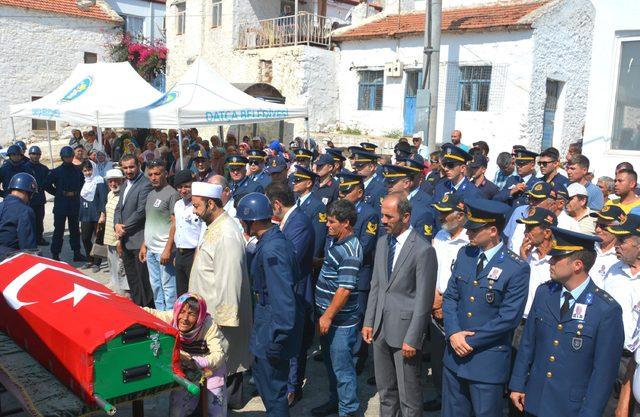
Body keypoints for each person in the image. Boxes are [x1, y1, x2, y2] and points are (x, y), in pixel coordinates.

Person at [509, 228, 624, 417]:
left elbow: (603, 373)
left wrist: (590, 413)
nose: (550, 262)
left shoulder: (606, 310)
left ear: (577, 265)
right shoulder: (545, 293)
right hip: (535, 400)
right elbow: (528, 343)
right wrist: (517, 384)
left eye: (556, 258)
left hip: (571, 408)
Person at [441, 198, 530, 417]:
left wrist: (468, 340)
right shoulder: (465, 254)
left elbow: (508, 317)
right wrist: (453, 333)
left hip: (486, 363)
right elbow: (451, 297)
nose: (468, 233)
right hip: (454, 357)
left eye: (474, 229)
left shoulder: (515, 268)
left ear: (492, 231)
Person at [362, 192, 436, 417]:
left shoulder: (423, 250)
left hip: (405, 335)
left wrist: (413, 338)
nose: (383, 221)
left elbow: (423, 300)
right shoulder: (383, 242)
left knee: (409, 398)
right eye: (382, 215)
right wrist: (369, 321)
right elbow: (376, 285)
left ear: (406, 217)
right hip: (379, 331)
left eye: (389, 217)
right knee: (386, 394)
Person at [237, 192, 302, 417]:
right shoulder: (271, 241)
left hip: (272, 328)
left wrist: (279, 336)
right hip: (267, 323)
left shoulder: (273, 248)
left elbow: (283, 297)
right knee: (269, 388)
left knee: (274, 392)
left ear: (252, 221)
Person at [189, 182, 253, 411]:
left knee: (221, 377)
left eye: (196, 206)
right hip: (208, 317)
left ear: (211, 203)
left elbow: (229, 281)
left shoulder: (226, 233)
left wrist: (222, 325)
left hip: (219, 322)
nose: (194, 211)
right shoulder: (214, 226)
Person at [311, 199, 363, 417]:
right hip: (328, 317)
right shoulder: (337, 241)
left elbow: (344, 289)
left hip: (340, 322)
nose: (327, 225)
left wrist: (328, 317)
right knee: (331, 365)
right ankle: (336, 401)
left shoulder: (350, 250)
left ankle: (349, 410)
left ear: (347, 223)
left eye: (332, 222)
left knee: (343, 370)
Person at [265, 182, 315, 407]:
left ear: (276, 204)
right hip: (286, 290)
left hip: (296, 291)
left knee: (294, 343)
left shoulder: (300, 223)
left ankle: (292, 388)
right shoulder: (288, 221)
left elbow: (290, 257)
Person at [144, 293, 228, 417]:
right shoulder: (172, 316)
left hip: (211, 367)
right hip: (185, 366)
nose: (184, 318)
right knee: (177, 410)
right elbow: (150, 313)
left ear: (199, 315)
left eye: (192, 314)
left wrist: (197, 361)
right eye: (182, 312)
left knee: (215, 409)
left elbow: (218, 355)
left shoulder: (209, 325)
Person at [427, 194, 469, 412]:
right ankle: (441, 396)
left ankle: (457, 402)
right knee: (437, 356)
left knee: (457, 357)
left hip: (457, 306)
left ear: (460, 215)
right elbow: (432, 267)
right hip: (435, 301)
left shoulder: (469, 240)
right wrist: (434, 295)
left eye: (446, 213)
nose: (441, 216)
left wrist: (446, 302)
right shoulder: (440, 235)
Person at [335, 172, 379, 374]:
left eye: (347, 191)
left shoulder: (368, 213)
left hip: (359, 275)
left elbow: (364, 246)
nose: (343, 194)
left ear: (359, 192)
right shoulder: (340, 211)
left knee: (356, 318)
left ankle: (356, 359)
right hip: (340, 271)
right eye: (341, 190)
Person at [600, 215, 640, 416]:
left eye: (623, 241)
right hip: (607, 353)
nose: (617, 244)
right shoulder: (612, 270)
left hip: (635, 360)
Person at [114, 154, 154, 307]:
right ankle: (138, 309)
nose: (129, 170)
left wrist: (123, 228)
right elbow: (119, 208)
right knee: (133, 280)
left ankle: (148, 311)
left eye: (131, 167)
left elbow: (141, 212)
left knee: (144, 281)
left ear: (138, 165)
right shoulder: (124, 184)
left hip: (138, 241)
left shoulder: (145, 184)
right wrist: (117, 224)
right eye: (125, 168)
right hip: (125, 240)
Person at [140, 161, 179, 311]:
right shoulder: (150, 194)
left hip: (164, 250)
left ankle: (170, 320)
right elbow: (150, 221)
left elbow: (175, 224)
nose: (153, 177)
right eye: (150, 175)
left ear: (165, 174)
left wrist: (168, 249)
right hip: (151, 249)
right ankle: (160, 318)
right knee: (156, 286)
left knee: (168, 288)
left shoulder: (172, 194)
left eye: (157, 174)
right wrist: (144, 244)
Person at [45, 146, 85, 262]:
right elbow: (46, 185)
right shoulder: (56, 171)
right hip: (61, 204)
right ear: (62, 158)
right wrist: (57, 193)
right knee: (58, 230)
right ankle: (55, 254)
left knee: (75, 230)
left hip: (74, 203)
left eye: (71, 157)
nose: (69, 159)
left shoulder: (77, 170)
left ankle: (76, 253)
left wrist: (76, 193)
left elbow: (82, 183)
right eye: (66, 157)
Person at [383, 161, 436, 240]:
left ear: (406, 183)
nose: (389, 186)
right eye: (387, 183)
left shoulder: (421, 212)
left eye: (392, 183)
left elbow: (422, 246)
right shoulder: (388, 204)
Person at [173, 170, 205, 296]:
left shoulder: (198, 205)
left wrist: (198, 255)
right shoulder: (178, 205)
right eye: (180, 187)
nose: (183, 190)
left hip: (194, 253)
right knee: (181, 293)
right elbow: (178, 229)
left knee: (195, 293)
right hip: (180, 253)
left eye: (187, 186)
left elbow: (202, 231)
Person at [103, 168, 129, 297]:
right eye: (110, 181)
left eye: (116, 181)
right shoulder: (110, 194)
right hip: (109, 237)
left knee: (121, 269)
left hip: (118, 239)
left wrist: (119, 240)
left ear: (122, 181)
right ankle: (115, 289)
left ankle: (124, 294)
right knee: (112, 265)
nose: (113, 184)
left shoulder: (124, 196)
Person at [292, 166, 327, 260]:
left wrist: (312, 259)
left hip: (306, 256)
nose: (294, 183)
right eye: (294, 180)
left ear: (309, 183)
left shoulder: (317, 206)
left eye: (298, 180)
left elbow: (319, 236)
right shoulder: (294, 201)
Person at [78, 160, 107, 272]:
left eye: (89, 170)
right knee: (85, 238)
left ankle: (97, 263)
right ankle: (90, 259)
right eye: (85, 171)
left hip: (97, 215)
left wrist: (102, 215)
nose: (87, 173)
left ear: (93, 169)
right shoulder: (86, 182)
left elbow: (103, 199)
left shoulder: (99, 181)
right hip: (86, 215)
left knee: (98, 238)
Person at [0, 173, 37, 254]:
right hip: (9, 258)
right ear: (27, 193)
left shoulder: (1, 205)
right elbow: (28, 245)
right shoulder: (25, 211)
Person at [589, 205, 624, 286]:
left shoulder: (623, 255)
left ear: (618, 228)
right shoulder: (587, 245)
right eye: (596, 224)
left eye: (603, 226)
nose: (597, 230)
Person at [27, 146, 49, 246]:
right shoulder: (24, 168)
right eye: (33, 154)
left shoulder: (44, 169)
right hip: (28, 200)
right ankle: (30, 241)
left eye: (37, 154)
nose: (35, 156)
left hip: (40, 199)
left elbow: (48, 184)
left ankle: (39, 238)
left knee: (39, 220)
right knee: (28, 221)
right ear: (29, 155)